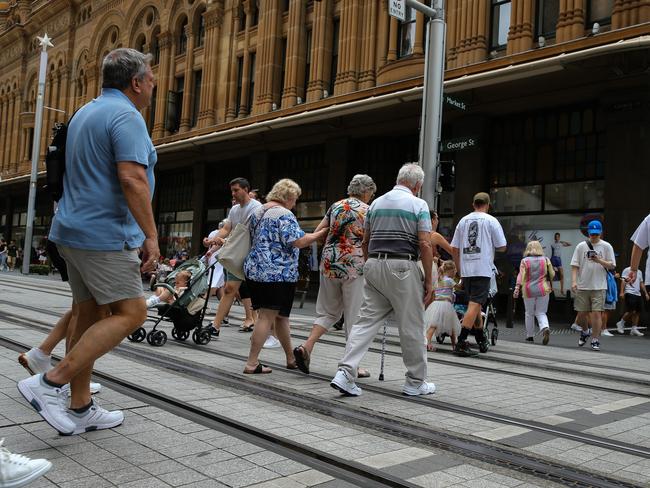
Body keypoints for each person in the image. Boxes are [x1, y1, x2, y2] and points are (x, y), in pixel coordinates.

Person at [17, 48, 159, 436]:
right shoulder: (127, 116)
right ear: (135, 82)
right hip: (104, 234)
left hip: (72, 230)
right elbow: (132, 179)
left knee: (88, 313)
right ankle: (49, 383)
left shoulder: (85, 112)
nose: (153, 84)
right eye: (150, 78)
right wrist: (151, 235)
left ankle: (80, 407)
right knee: (133, 313)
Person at [330, 163, 435, 397]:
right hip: (403, 266)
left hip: (374, 265)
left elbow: (365, 241)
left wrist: (371, 265)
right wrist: (428, 280)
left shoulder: (375, 204)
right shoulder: (419, 205)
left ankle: (345, 373)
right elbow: (426, 244)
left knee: (364, 322)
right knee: (412, 325)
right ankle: (415, 382)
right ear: (417, 185)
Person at [293, 174, 376, 375]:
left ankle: (307, 346)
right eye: (371, 194)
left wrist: (333, 243)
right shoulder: (369, 210)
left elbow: (319, 232)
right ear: (366, 192)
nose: (371, 197)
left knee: (328, 312)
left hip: (330, 264)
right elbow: (371, 240)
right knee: (354, 317)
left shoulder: (336, 206)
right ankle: (351, 365)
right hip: (355, 266)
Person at [243, 178, 328, 374]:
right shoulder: (284, 214)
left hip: (255, 270)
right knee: (266, 317)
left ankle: (291, 358)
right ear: (288, 196)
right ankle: (252, 363)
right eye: (295, 198)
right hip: (277, 273)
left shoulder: (258, 211)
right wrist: (319, 234)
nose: (295, 203)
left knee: (281, 317)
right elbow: (298, 241)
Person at [451, 192, 507, 357]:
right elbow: (502, 246)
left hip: (466, 270)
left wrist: (459, 268)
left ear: (473, 204)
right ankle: (461, 341)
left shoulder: (463, 221)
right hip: (482, 269)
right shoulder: (491, 221)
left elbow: (454, 248)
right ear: (488, 205)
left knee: (473, 304)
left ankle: (481, 338)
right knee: (475, 304)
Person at [206, 178, 262, 335]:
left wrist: (222, 240)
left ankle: (258, 325)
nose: (233, 194)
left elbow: (250, 232)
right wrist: (213, 240)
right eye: (232, 191)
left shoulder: (257, 208)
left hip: (252, 255)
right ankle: (216, 325)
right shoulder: (234, 210)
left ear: (245, 189)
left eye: (236, 190)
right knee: (230, 289)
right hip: (237, 254)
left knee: (256, 291)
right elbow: (227, 228)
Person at [570, 220, 616, 351]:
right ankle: (585, 331)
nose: (594, 236)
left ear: (600, 232)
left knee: (597, 314)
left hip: (599, 286)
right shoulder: (580, 246)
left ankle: (595, 339)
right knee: (582, 313)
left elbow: (612, 265)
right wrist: (573, 281)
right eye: (592, 234)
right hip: (583, 285)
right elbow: (574, 266)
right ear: (588, 233)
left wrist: (598, 260)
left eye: (596, 234)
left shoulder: (607, 246)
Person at [513, 240, 554, 345]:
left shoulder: (524, 261)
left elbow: (521, 276)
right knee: (541, 312)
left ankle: (530, 336)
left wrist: (517, 287)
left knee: (529, 313)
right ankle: (545, 327)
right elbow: (552, 274)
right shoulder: (545, 260)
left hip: (528, 290)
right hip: (543, 289)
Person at [425, 260, 461, 351]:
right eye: (454, 271)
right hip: (446, 305)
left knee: (433, 325)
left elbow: (433, 293)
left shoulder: (438, 281)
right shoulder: (449, 281)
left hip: (436, 304)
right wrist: (463, 279)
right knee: (452, 327)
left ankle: (427, 342)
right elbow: (459, 287)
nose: (455, 273)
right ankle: (454, 345)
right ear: (450, 271)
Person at [617, 266, 648, 336]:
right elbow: (623, 280)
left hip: (638, 293)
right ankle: (621, 323)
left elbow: (641, 283)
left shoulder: (639, 271)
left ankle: (634, 329)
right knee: (631, 310)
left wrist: (646, 293)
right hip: (629, 292)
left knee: (637, 312)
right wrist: (622, 292)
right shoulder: (627, 269)